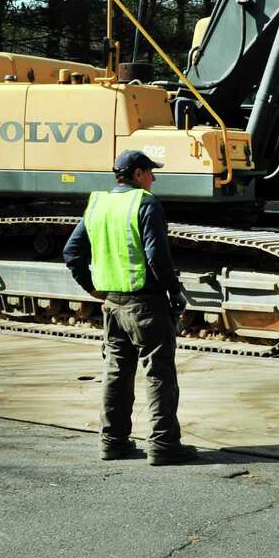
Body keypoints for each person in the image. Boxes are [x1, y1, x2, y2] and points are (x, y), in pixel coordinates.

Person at [62, 150, 196, 465]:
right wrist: (174, 292)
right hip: (145, 303)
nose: (154, 177)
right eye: (150, 171)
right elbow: (157, 257)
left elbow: (72, 251)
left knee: (116, 373)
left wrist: (92, 287)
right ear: (137, 174)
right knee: (160, 374)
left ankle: (113, 443)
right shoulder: (145, 204)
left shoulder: (98, 204)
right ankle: (164, 446)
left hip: (113, 305)